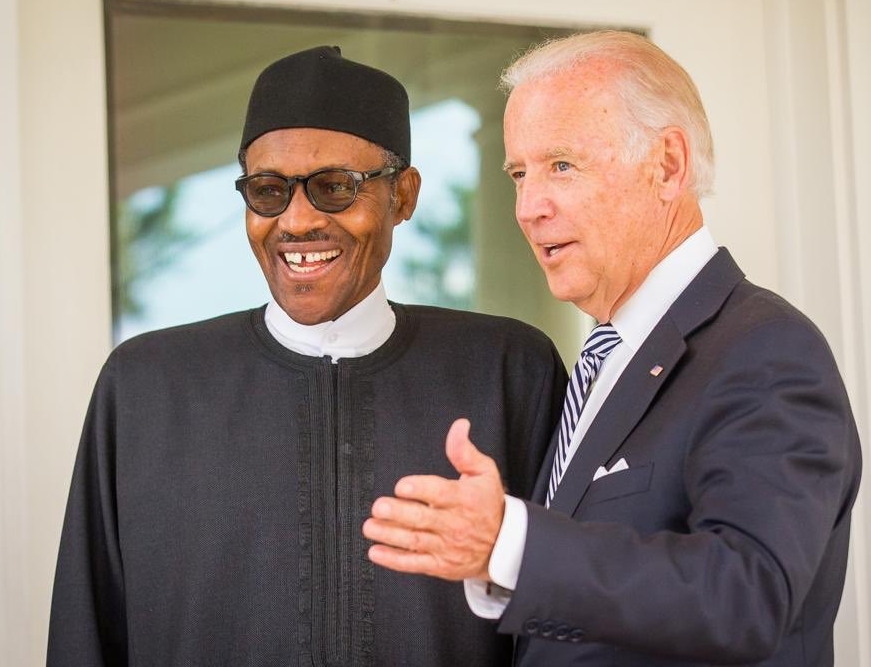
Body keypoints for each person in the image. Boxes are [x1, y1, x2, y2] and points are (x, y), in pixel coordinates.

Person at [47, 45, 566, 667]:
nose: (295, 221)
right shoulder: (146, 387)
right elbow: (86, 629)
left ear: (403, 196)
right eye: (267, 191)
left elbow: (563, 617)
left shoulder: (506, 371)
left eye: (334, 187)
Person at [363, 31, 863, 666]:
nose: (527, 208)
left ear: (668, 165)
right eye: (519, 174)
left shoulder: (765, 351)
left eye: (562, 165)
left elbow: (747, 597)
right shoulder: (606, 359)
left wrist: (511, 542)